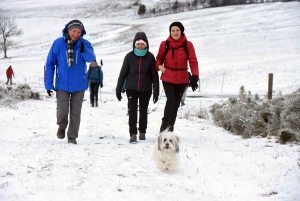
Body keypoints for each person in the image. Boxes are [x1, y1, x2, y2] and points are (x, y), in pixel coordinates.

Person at [44, 19, 96, 144]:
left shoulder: (85, 44)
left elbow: (91, 58)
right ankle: (62, 126)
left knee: (75, 113)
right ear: (68, 30)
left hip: (79, 85)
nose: (76, 34)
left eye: (79, 32)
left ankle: (72, 137)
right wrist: (49, 84)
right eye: (74, 31)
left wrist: (84, 50)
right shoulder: (58, 44)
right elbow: (50, 64)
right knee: (62, 111)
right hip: (62, 84)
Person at [116, 32, 159, 143]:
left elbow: (154, 75)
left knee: (144, 111)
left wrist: (156, 91)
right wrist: (118, 89)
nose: (140, 46)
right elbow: (123, 73)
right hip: (131, 88)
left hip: (146, 89)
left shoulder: (150, 57)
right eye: (138, 44)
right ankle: (133, 134)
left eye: (142, 44)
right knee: (132, 111)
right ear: (135, 44)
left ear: (146, 45)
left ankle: (142, 132)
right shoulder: (129, 56)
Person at [156, 22, 199, 133]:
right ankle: (164, 125)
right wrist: (159, 66)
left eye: (177, 30)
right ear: (170, 32)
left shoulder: (188, 45)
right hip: (168, 77)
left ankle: (170, 128)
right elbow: (158, 59)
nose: (175, 32)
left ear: (181, 31)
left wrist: (195, 76)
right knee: (171, 100)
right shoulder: (164, 44)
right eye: (173, 30)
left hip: (182, 78)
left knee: (176, 104)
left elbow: (193, 61)